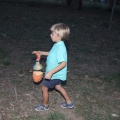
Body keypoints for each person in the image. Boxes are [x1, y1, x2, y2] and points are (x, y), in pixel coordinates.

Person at [32, 23, 74, 111]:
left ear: (59, 36)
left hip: (54, 74)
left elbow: (63, 63)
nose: (50, 35)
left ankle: (45, 105)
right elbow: (52, 54)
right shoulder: (57, 45)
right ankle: (69, 103)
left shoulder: (61, 48)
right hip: (57, 74)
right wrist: (42, 52)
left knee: (44, 88)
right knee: (58, 87)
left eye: (52, 33)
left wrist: (50, 73)